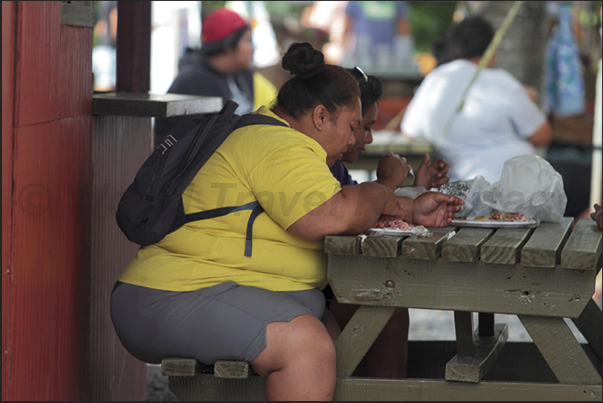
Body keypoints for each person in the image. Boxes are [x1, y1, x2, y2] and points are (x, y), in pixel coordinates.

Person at [111, 42, 464, 401]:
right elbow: (333, 215)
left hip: (224, 291)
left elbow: (347, 206)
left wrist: (408, 207)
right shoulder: (276, 144)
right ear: (321, 116)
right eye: (353, 126)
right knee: (306, 347)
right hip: (171, 296)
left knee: (368, 323)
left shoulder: (289, 143)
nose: (355, 138)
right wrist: (389, 196)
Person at [326, 67, 450, 378]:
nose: (368, 138)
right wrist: (386, 183)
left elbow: (368, 209)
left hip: (328, 284)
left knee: (387, 307)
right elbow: (349, 218)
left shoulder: (335, 166)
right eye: (362, 126)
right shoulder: (315, 163)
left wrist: (414, 191)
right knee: (385, 310)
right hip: (313, 291)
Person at [400, 16, 553, 184]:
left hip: (459, 189)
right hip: (513, 189)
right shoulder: (501, 82)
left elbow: (409, 132)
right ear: (490, 50)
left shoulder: (435, 80)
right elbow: (542, 135)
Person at [154, 7, 278, 145]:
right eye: (247, 40)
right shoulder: (194, 83)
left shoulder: (241, 74)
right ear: (228, 45)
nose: (252, 48)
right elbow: (203, 148)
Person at [343, 1, 412, 67]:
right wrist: (347, 51)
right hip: (363, 54)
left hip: (388, 55)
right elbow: (348, 25)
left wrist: (404, 54)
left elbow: (403, 26)